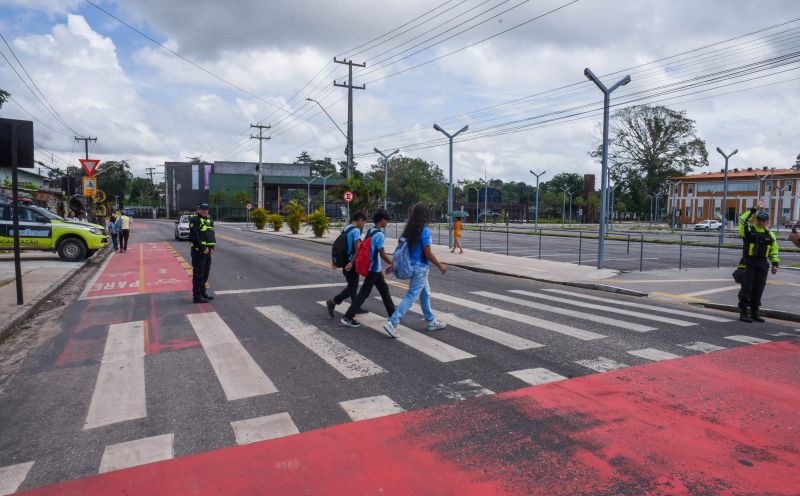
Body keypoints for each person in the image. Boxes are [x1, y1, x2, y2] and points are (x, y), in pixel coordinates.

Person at [383, 203, 448, 338]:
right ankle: (392, 322)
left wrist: (394, 264)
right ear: (425, 216)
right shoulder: (423, 231)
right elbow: (428, 253)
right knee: (411, 296)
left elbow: (402, 251)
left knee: (424, 295)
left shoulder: (409, 230)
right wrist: (440, 265)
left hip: (413, 267)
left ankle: (431, 321)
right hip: (420, 269)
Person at [340, 209, 396, 328]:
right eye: (386, 220)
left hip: (372, 268)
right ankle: (348, 317)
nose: (387, 223)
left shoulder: (370, 230)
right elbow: (382, 254)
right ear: (382, 220)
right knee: (364, 294)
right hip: (373, 268)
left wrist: (352, 262)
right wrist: (392, 264)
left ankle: (393, 315)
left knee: (384, 289)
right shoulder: (380, 234)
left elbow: (360, 248)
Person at [737, 200, 780, 323]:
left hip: (762, 264)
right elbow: (742, 220)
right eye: (759, 220)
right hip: (748, 262)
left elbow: (774, 250)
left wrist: (775, 264)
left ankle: (754, 313)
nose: (761, 222)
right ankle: (744, 313)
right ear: (756, 220)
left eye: (763, 220)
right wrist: (754, 209)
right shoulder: (749, 230)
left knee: (758, 289)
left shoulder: (770, 234)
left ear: (767, 222)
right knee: (747, 288)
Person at [326, 211, 369, 317]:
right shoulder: (355, 231)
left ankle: (356, 307)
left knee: (352, 284)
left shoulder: (347, 228)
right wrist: (354, 262)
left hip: (345, 260)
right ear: (359, 220)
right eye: (364, 222)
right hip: (351, 262)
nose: (363, 225)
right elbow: (357, 248)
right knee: (352, 287)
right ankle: (333, 301)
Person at [188, 203, 216, 303]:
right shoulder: (195, 220)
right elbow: (193, 237)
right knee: (198, 275)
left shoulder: (209, 220)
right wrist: (203, 248)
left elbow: (211, 234)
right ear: (198, 209)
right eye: (203, 209)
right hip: (198, 252)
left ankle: (203, 292)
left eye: (207, 209)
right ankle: (197, 296)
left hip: (207, 252)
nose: (205, 211)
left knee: (205, 274)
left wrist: (212, 247)